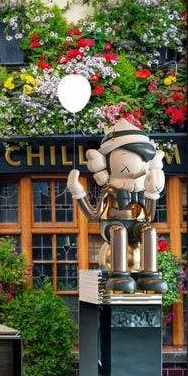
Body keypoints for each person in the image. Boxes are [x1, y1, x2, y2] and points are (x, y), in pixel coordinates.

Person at [67, 119, 169, 293]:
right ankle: (118, 276)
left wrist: (152, 194)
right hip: (111, 225)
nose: (140, 166)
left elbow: (150, 217)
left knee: (150, 231)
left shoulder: (145, 188)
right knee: (118, 232)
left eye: (143, 160)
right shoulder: (109, 190)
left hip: (136, 224)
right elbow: (94, 215)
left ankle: (149, 275)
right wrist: (78, 193)